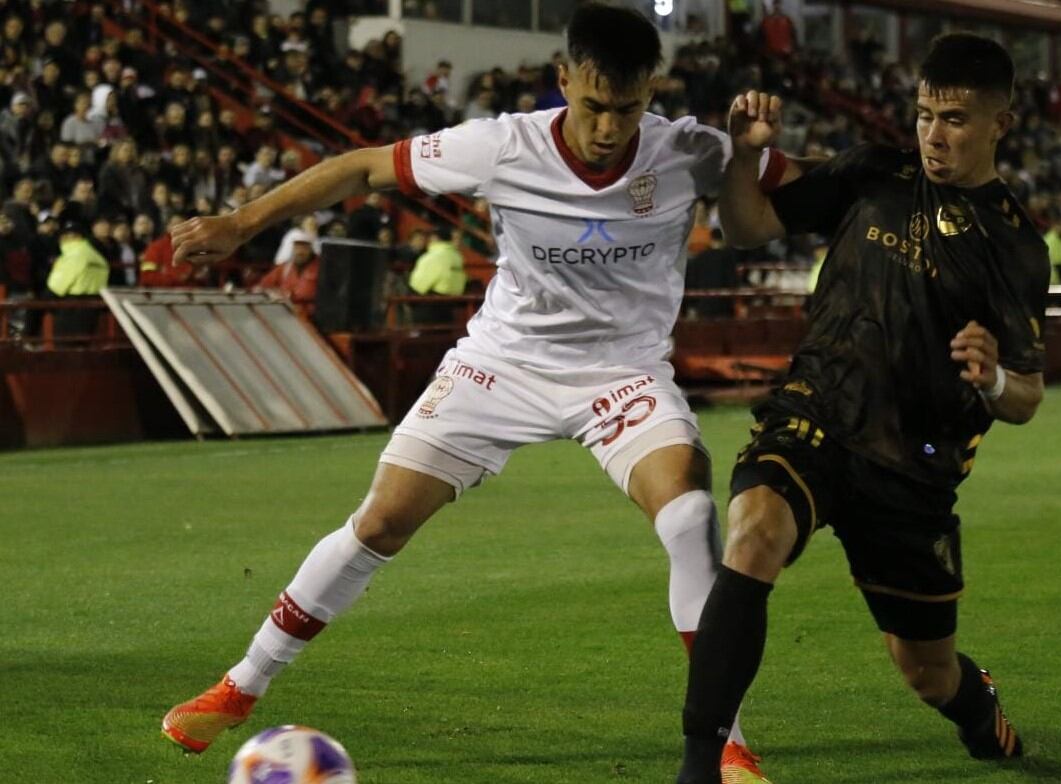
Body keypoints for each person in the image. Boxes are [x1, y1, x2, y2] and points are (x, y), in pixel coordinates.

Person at [161, 6, 776, 781]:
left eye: (628, 108)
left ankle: (727, 739)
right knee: (380, 521)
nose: (610, 127)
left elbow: (752, 229)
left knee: (689, 514)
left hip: (622, 372)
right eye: (593, 106)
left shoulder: (691, 149)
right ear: (564, 82)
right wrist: (243, 221)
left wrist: (748, 157)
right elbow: (361, 165)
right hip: (503, 362)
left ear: (652, 91)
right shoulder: (501, 145)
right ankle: (240, 686)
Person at [676, 34, 1050, 783]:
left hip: (913, 467)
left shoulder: (1013, 244)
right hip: (814, 414)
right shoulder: (874, 171)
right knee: (751, 540)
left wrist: (991, 380)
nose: (932, 135)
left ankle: (974, 705)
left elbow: (1027, 394)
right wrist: (748, 156)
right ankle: (702, 766)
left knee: (926, 672)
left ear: (999, 125)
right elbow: (750, 228)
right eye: (923, 115)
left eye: (953, 120)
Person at [408, 223, 465, 324]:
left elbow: (418, 286)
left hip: (430, 309)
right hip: (450, 307)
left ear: (434, 238)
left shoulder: (433, 256)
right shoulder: (457, 256)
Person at [254, 228, 319, 316]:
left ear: (311, 248)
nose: (300, 251)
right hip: (284, 314)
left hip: (308, 317)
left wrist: (283, 294)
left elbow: (305, 293)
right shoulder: (285, 268)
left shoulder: (319, 268)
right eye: (297, 246)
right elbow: (262, 285)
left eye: (304, 247)